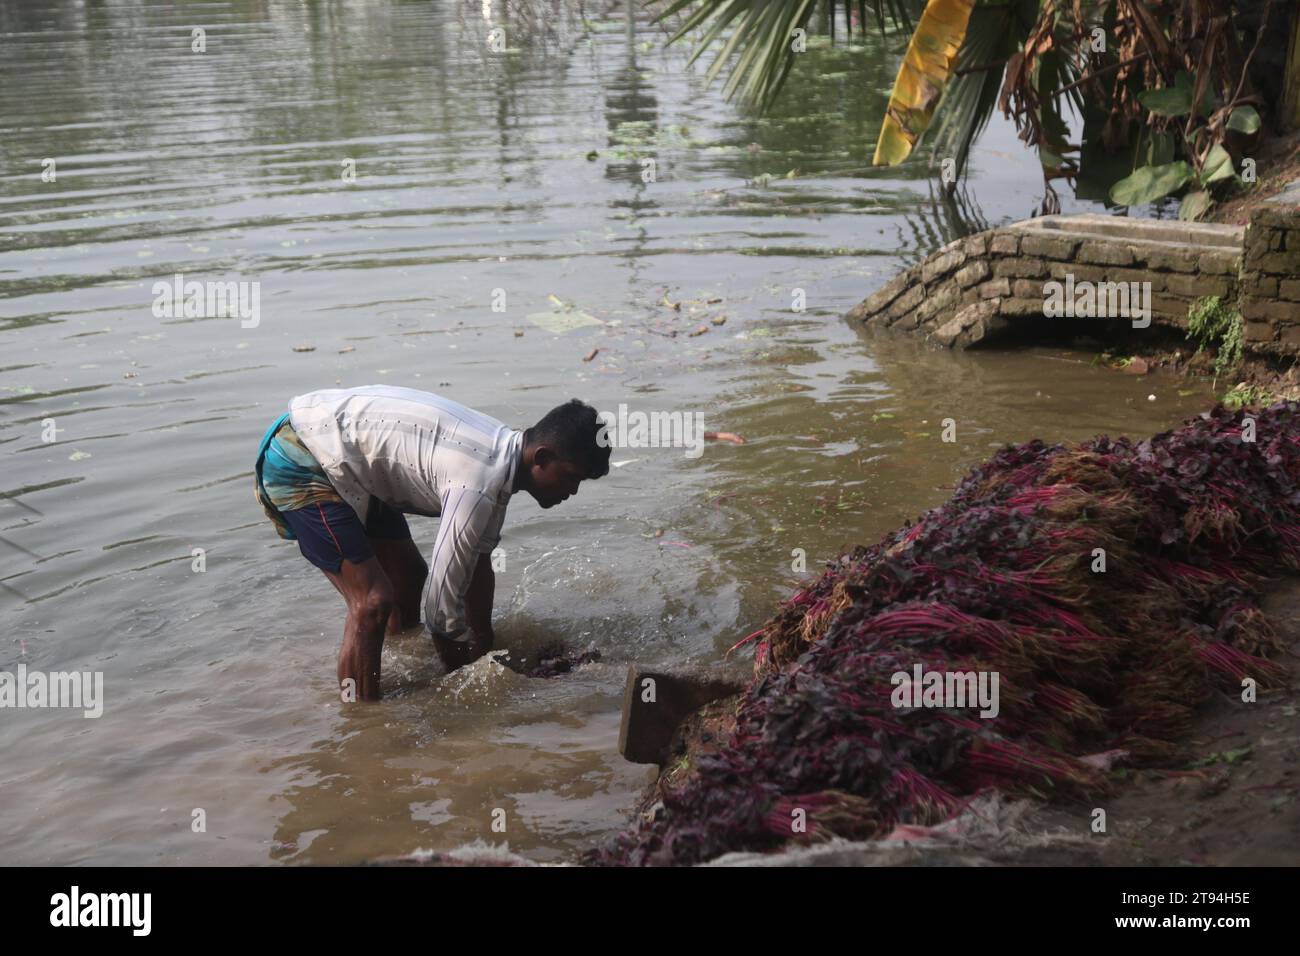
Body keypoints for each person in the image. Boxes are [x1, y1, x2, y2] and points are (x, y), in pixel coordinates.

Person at [253, 385, 609, 699]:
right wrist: (461, 685)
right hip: (304, 456)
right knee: (373, 601)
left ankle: (388, 660)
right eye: (571, 478)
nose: (572, 491)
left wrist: (486, 647)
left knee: (408, 578)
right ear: (542, 458)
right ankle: (362, 724)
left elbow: (478, 561)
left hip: (353, 459)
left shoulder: (501, 461)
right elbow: (440, 610)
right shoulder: (478, 484)